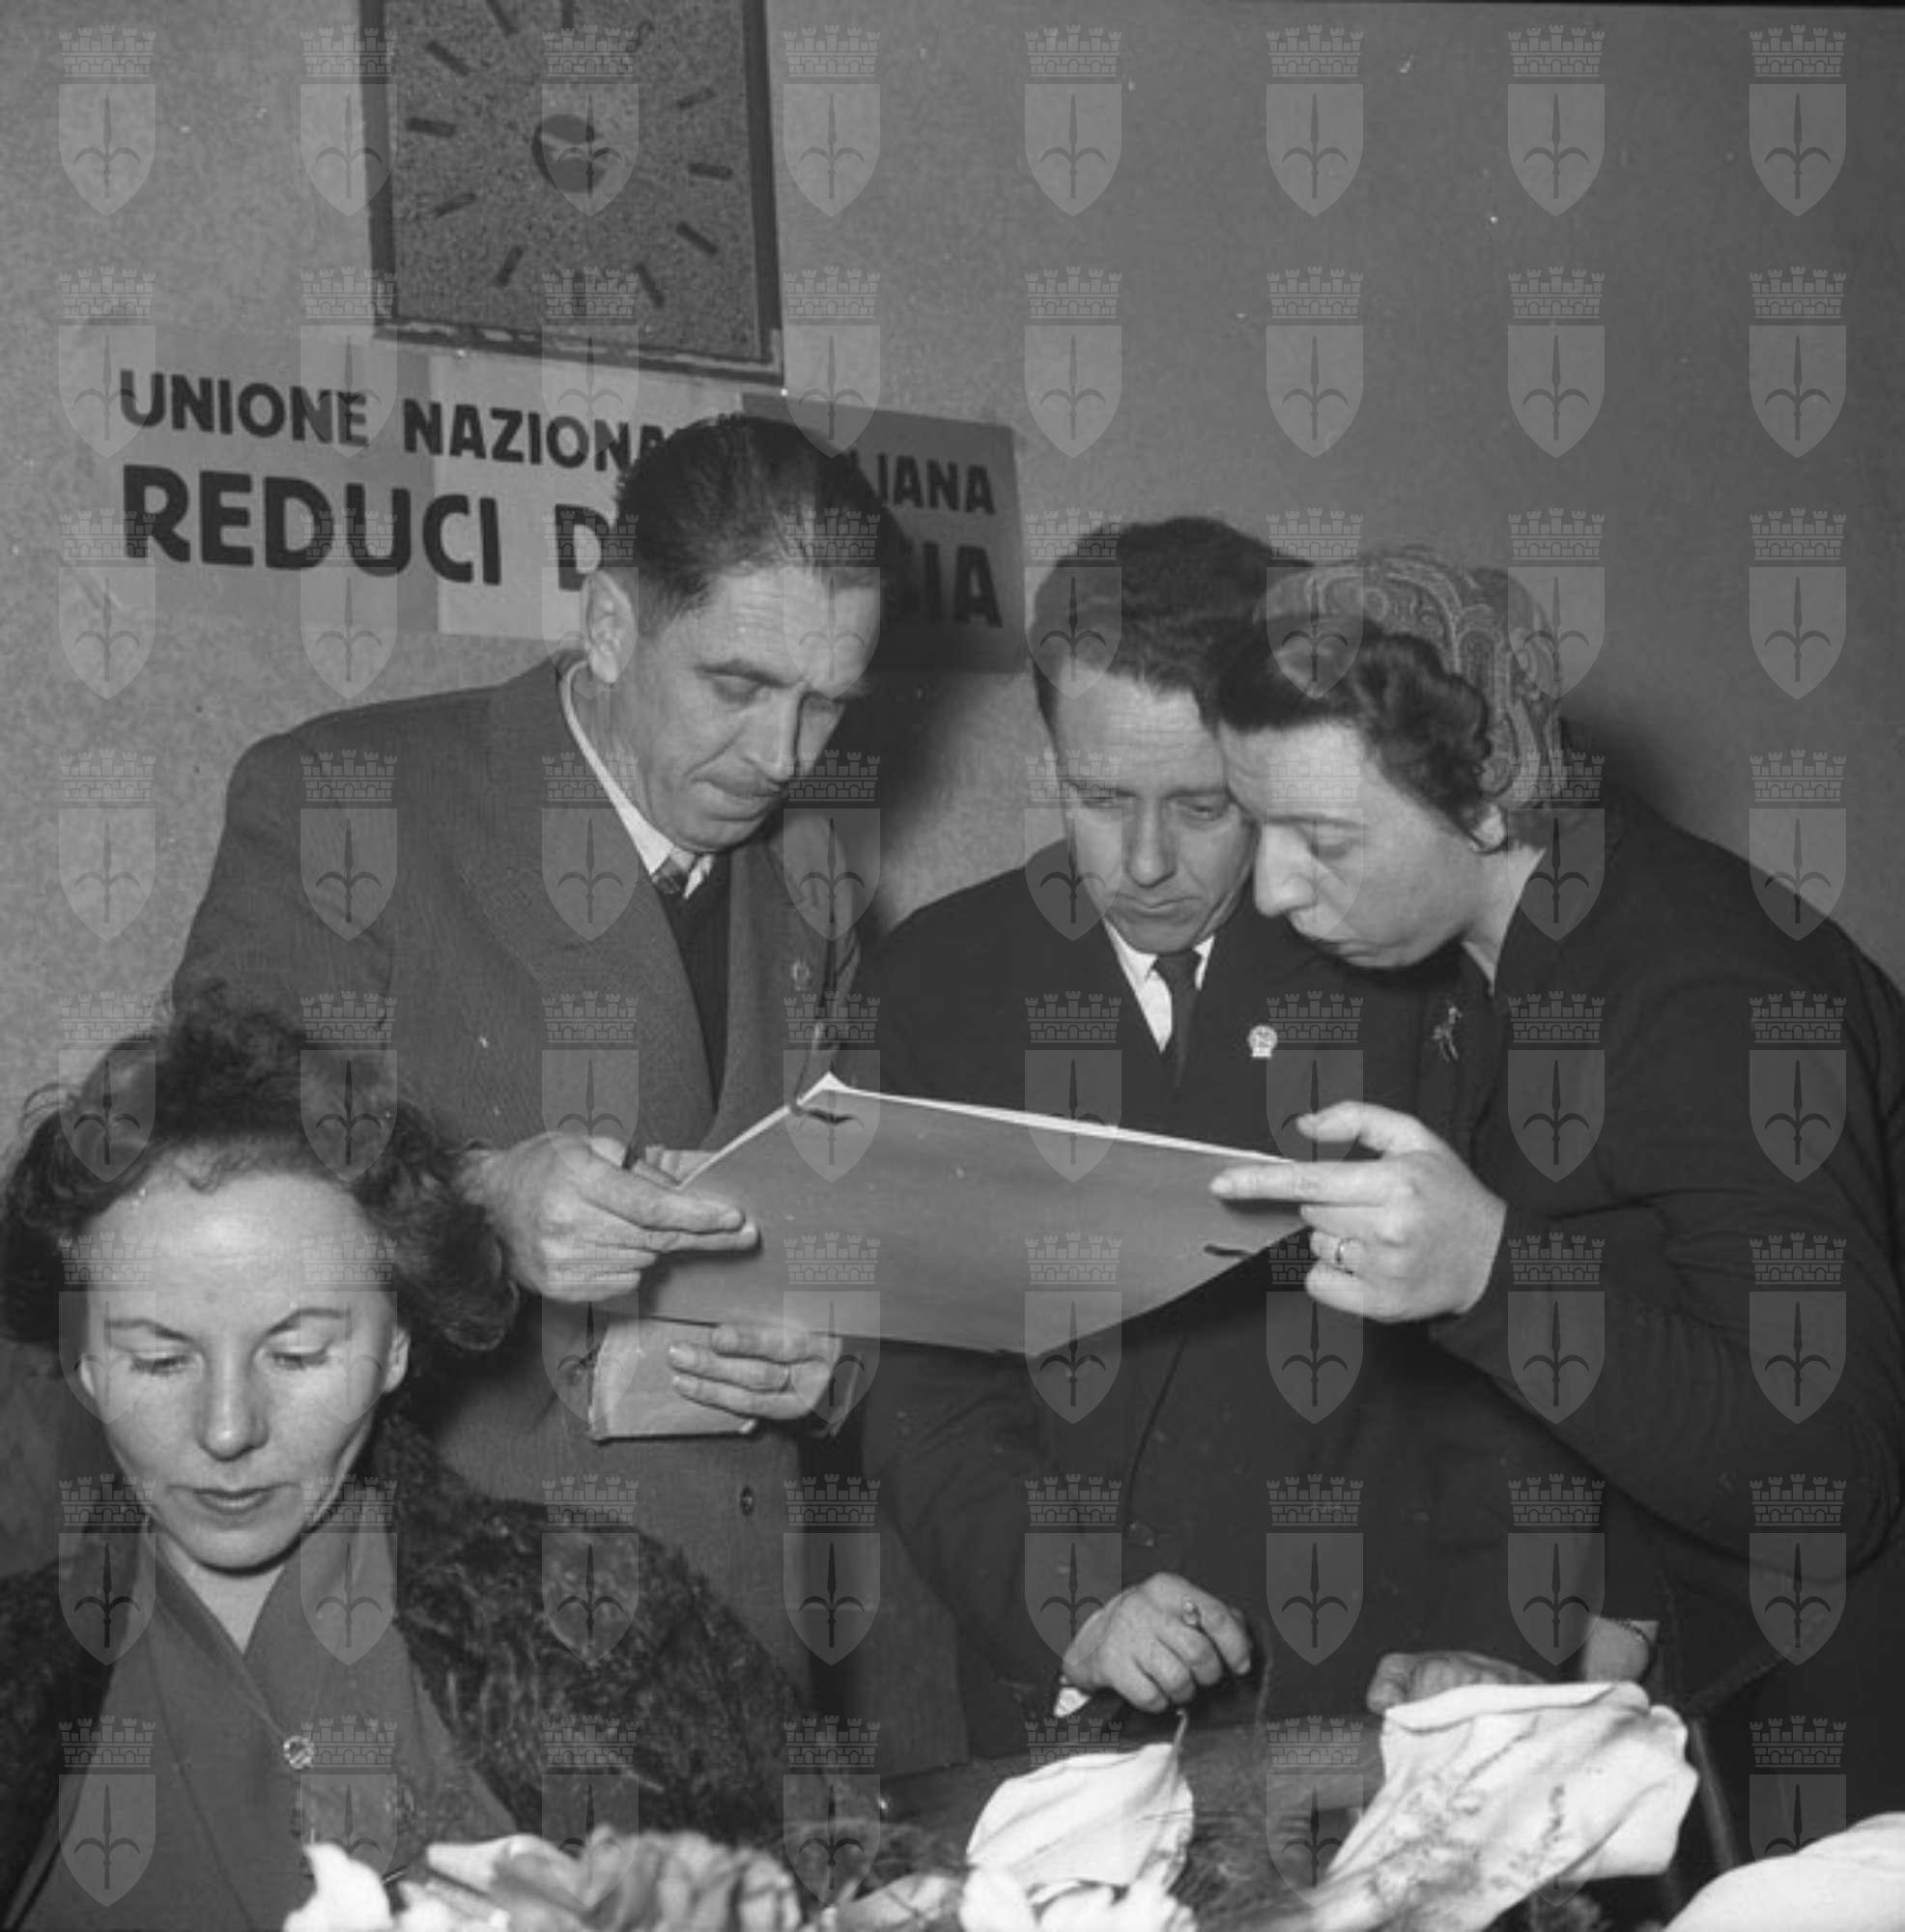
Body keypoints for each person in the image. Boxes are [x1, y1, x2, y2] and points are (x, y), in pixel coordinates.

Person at [171, 414, 909, 1685]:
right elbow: (207, 1176)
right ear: (611, 625)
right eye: (738, 687)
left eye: (826, 704)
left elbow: (863, 1208)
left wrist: (829, 1352)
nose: (785, 758)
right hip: (426, 1640)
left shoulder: (819, 874)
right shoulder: (347, 796)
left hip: (738, 1636)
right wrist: (474, 1201)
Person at [855, 521, 1582, 1759]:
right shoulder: (935, 979)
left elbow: (1512, 1353)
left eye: (1204, 805)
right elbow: (923, 1387)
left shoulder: (1404, 961)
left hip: (1389, 1681)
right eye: (1098, 799)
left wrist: (1496, 1638)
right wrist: (1073, 1601)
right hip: (1078, 1706)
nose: (1145, 863)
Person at [1206, 546, 1905, 1832]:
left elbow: (1832, 1472)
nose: (1271, 886)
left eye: (1323, 839)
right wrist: (1588, 1660)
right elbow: (1664, 1333)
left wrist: (1490, 1276)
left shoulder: (1705, 989)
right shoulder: (1504, 956)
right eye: (1256, 824)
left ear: (1485, 800)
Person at [0, 1000, 800, 1930]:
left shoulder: (614, 1626)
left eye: (298, 1355)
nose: (227, 1430)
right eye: (158, 1360)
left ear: (397, 1346)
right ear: (84, 1365)